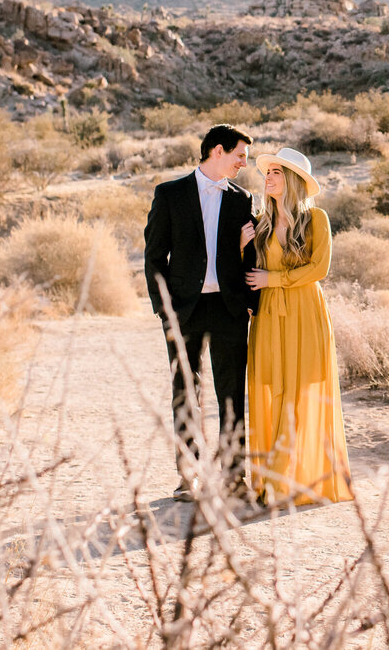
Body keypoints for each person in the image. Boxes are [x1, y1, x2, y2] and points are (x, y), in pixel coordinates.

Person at [143, 123, 257, 501]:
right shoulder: (170, 194)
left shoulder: (243, 200)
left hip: (228, 309)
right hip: (184, 311)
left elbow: (249, 257)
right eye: (240, 154)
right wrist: (165, 309)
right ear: (218, 151)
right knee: (185, 392)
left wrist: (251, 304)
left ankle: (234, 477)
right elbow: (154, 256)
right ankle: (189, 476)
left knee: (231, 394)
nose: (244, 162)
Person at [245, 147, 354, 506]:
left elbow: (319, 269)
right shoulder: (260, 222)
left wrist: (273, 279)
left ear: (292, 179)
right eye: (268, 172)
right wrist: (240, 245)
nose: (269, 177)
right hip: (268, 316)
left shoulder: (316, 219)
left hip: (305, 313)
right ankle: (272, 480)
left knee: (298, 392)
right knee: (272, 390)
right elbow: (248, 272)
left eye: (277, 171)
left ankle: (285, 482)